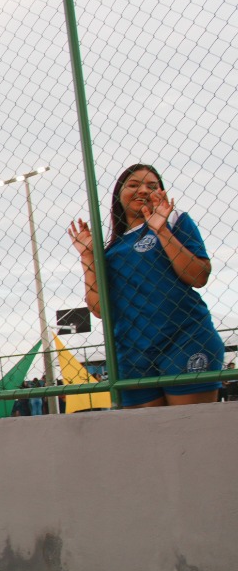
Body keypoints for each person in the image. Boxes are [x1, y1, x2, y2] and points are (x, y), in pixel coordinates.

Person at [69, 164, 223, 408]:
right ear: (119, 194)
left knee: (190, 430)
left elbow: (198, 276)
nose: (143, 190)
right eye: (133, 185)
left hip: (185, 339)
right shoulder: (112, 249)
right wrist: (88, 257)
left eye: (152, 186)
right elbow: (99, 309)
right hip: (132, 353)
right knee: (148, 437)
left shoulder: (175, 220)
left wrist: (161, 230)